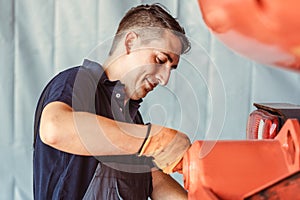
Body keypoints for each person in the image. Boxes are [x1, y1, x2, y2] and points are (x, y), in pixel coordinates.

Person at [33, 3, 191, 200]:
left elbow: (153, 180)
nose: (164, 79)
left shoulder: (133, 120)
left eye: (171, 68)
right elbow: (54, 128)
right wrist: (153, 139)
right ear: (130, 42)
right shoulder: (77, 83)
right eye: (160, 60)